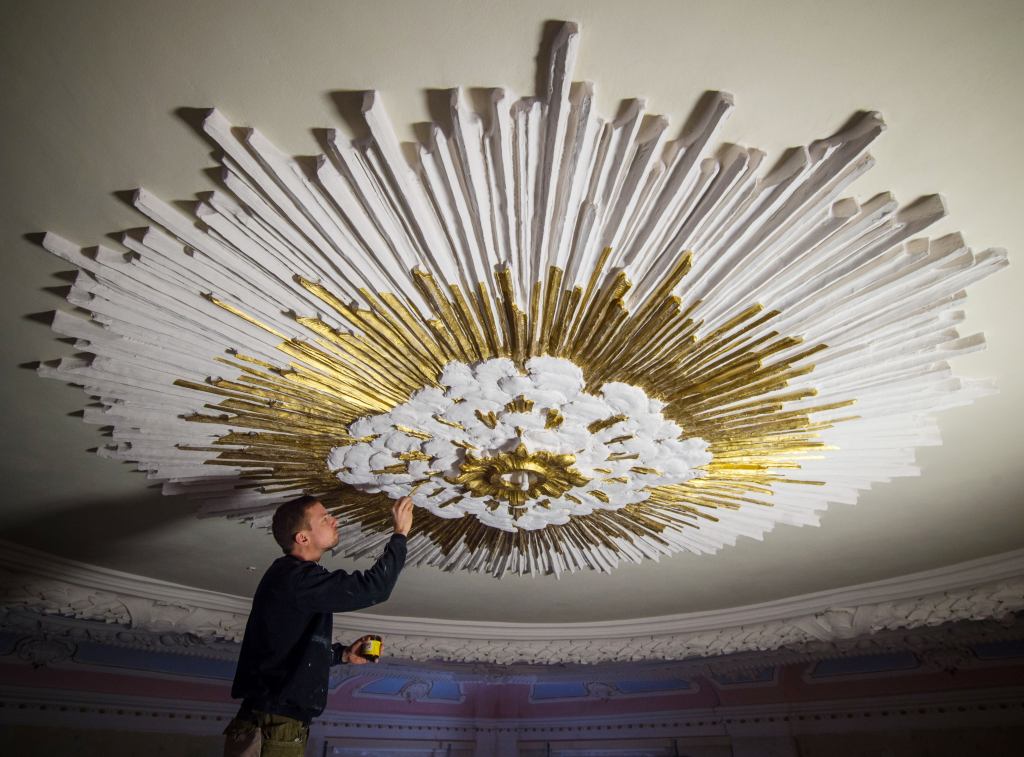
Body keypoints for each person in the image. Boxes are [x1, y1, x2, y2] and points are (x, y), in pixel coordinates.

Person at [223, 494, 414, 756]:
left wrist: (343, 654)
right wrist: (400, 534)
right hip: (274, 723)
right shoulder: (295, 579)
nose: (335, 521)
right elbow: (375, 588)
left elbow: (287, 651)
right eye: (325, 519)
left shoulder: (291, 579)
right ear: (302, 538)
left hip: (268, 718)